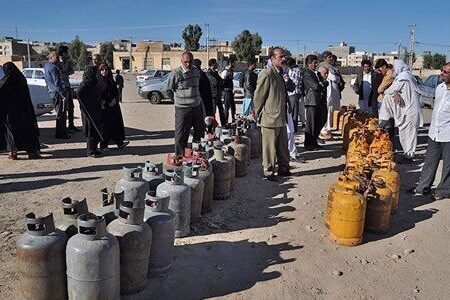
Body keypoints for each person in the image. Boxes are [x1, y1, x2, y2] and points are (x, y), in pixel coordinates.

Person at [409, 62, 450, 200]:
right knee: (430, 161)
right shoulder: (440, 87)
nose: (441, 74)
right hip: (434, 132)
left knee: (448, 166)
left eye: (445, 72)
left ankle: (443, 190)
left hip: (448, 135)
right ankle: (422, 188)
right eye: (442, 71)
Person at [253, 47, 290, 180]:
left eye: (284, 56)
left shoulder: (280, 73)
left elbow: (287, 90)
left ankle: (284, 168)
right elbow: (259, 96)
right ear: (272, 59)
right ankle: (268, 171)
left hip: (280, 116)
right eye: (281, 57)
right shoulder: (267, 73)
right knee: (269, 148)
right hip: (270, 117)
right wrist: (256, 113)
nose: (284, 59)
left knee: (283, 146)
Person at [379, 59, 423, 163]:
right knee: (405, 135)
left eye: (394, 68)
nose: (393, 70)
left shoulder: (404, 77)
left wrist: (393, 92)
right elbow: (394, 90)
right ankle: (407, 154)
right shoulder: (405, 76)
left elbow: (388, 90)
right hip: (407, 110)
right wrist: (395, 93)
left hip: (410, 111)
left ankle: (409, 157)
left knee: (410, 135)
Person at [166, 51, 205, 156]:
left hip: (196, 106)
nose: (188, 64)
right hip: (182, 109)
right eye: (185, 62)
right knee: (181, 135)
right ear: (181, 61)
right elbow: (168, 90)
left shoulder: (196, 71)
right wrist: (177, 100)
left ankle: (195, 155)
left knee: (200, 132)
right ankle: (179, 157)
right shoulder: (176, 73)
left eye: (190, 61)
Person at [0, 62, 41, 159]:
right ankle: (32, 152)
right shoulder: (21, 78)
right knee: (27, 132)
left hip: (9, 113)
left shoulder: (5, 82)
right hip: (24, 111)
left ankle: (13, 153)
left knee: (11, 133)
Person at [97, 64, 128, 151]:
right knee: (105, 127)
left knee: (116, 125)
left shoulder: (110, 80)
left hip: (113, 107)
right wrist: (102, 102)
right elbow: (97, 94)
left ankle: (119, 143)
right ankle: (104, 145)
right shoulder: (98, 81)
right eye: (102, 69)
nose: (104, 71)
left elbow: (116, 92)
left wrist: (115, 99)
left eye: (106, 69)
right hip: (104, 108)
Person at [303, 55, 329, 151]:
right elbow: (315, 86)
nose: (316, 64)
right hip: (312, 102)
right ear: (309, 63)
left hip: (319, 101)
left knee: (321, 120)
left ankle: (314, 141)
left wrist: (322, 83)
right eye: (314, 62)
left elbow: (322, 83)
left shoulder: (315, 73)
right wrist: (323, 83)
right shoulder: (307, 73)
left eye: (316, 62)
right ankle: (308, 144)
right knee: (311, 124)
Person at [78, 66, 103, 157]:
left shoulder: (94, 82)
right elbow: (79, 94)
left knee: (96, 129)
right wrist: (85, 105)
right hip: (88, 112)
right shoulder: (85, 84)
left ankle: (95, 149)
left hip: (96, 109)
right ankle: (90, 151)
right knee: (91, 130)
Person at [319, 52, 345, 138]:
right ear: (324, 58)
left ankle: (329, 129)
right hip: (328, 92)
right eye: (329, 57)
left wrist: (337, 79)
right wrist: (337, 78)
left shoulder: (332, 68)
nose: (331, 59)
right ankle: (324, 130)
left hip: (334, 92)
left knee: (333, 110)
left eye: (332, 57)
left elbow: (337, 79)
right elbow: (334, 78)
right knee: (328, 110)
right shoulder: (323, 66)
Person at [44, 51, 69, 139]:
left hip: (52, 92)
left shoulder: (46, 66)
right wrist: (63, 95)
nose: (59, 59)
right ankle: (61, 133)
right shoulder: (53, 68)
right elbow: (57, 83)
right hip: (57, 93)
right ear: (51, 58)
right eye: (57, 57)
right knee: (61, 113)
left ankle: (61, 132)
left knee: (59, 113)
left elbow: (47, 81)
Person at [57, 45, 78, 132]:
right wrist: (64, 74)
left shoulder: (67, 62)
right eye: (67, 53)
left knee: (71, 107)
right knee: (63, 108)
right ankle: (64, 127)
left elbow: (72, 71)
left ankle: (71, 124)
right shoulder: (57, 63)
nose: (68, 54)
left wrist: (65, 73)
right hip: (62, 88)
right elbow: (59, 74)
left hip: (68, 86)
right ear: (64, 53)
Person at [205, 58, 226, 126]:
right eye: (216, 63)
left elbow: (222, 81)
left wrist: (220, 81)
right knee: (213, 112)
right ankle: (212, 126)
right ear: (212, 64)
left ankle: (223, 124)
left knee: (221, 110)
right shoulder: (208, 73)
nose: (217, 64)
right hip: (213, 96)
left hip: (218, 95)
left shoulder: (215, 73)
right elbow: (215, 82)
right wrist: (220, 82)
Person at [286, 57, 304, 132]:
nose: (288, 66)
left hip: (293, 93)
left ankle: (293, 128)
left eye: (289, 65)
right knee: (292, 111)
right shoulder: (291, 70)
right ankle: (292, 127)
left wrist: (287, 81)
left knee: (293, 112)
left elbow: (295, 84)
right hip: (291, 93)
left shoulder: (296, 71)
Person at [221, 56, 236, 123]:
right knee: (226, 108)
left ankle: (234, 120)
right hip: (226, 91)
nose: (234, 64)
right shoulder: (225, 71)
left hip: (230, 91)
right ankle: (225, 122)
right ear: (230, 63)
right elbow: (222, 81)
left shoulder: (231, 71)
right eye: (234, 63)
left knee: (233, 107)